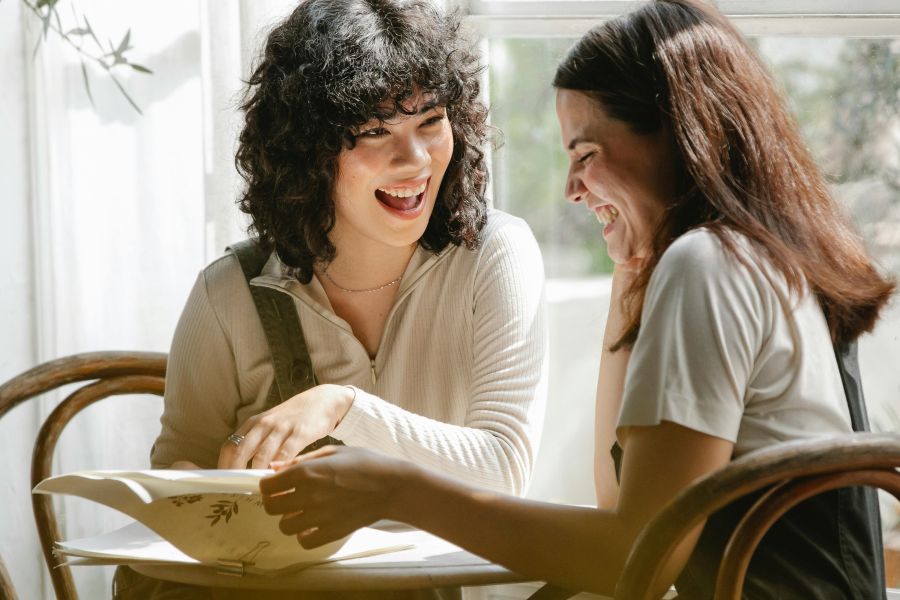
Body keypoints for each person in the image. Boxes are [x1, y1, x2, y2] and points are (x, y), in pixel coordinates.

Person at [259, 1, 896, 598]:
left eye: (585, 154)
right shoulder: (749, 257)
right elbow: (618, 502)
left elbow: (636, 559)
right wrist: (631, 270)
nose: (569, 188)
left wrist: (396, 489)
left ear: (680, 138)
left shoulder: (709, 266)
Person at [115, 0, 548, 598]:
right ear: (306, 153)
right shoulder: (228, 290)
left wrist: (343, 408)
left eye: (431, 120)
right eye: (375, 131)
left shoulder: (495, 254)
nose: (417, 160)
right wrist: (207, 486)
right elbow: (179, 466)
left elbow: (504, 474)